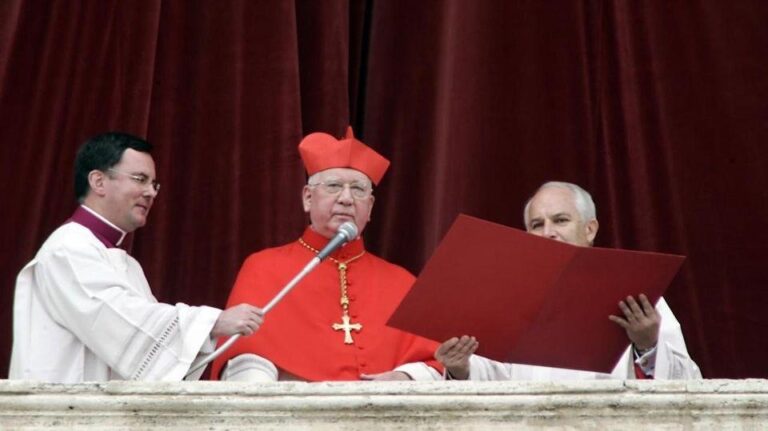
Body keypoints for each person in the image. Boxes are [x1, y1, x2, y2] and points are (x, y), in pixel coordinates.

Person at [9, 132, 264, 383]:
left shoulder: (126, 264)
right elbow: (121, 322)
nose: (151, 192)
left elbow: (151, 352)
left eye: (154, 184)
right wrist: (213, 322)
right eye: (140, 179)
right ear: (98, 182)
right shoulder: (67, 249)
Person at [210, 127, 442, 381]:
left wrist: (404, 378)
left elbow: (436, 362)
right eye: (333, 186)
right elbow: (240, 358)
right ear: (308, 198)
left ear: (371, 207)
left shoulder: (401, 281)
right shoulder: (263, 267)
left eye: (358, 189)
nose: (346, 198)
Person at [436, 181, 702, 380]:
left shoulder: (634, 292)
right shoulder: (510, 298)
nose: (548, 233)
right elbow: (496, 378)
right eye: (537, 225)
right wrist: (461, 368)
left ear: (590, 229)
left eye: (560, 220)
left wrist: (648, 345)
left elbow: (686, 386)